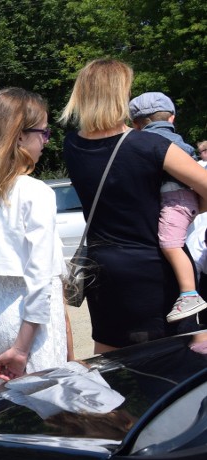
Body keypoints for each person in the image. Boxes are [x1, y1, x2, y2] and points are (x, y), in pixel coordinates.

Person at [60, 58, 207, 353]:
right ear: (120, 96)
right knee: (181, 360)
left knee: (110, 362)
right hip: (154, 268)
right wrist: (191, 208)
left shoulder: (71, 146)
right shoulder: (149, 146)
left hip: (102, 269)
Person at [0, 87, 68, 387]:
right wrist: (22, 348)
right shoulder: (36, 193)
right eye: (43, 133)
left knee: (7, 417)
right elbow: (41, 277)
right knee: (46, 418)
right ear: (19, 136)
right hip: (29, 327)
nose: (46, 142)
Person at [128, 92, 206, 321]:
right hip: (183, 199)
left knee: (171, 244)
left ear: (135, 124)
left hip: (175, 200)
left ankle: (190, 293)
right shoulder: (180, 142)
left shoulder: (146, 144)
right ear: (172, 118)